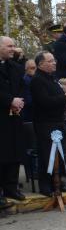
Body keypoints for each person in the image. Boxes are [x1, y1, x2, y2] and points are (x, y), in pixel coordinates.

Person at [30, 52, 66, 195]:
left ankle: (59, 181)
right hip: (45, 123)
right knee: (47, 155)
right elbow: (44, 101)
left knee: (59, 153)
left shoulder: (51, 78)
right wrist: (64, 97)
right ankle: (46, 186)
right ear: (41, 64)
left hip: (57, 122)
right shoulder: (37, 80)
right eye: (50, 61)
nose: (54, 63)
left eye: (54, 60)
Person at [0, 37, 27, 202]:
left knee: (15, 152)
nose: (13, 49)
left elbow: (22, 87)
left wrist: (19, 101)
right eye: (9, 46)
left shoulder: (16, 67)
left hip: (15, 116)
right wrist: (10, 100)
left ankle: (11, 187)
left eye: (13, 46)